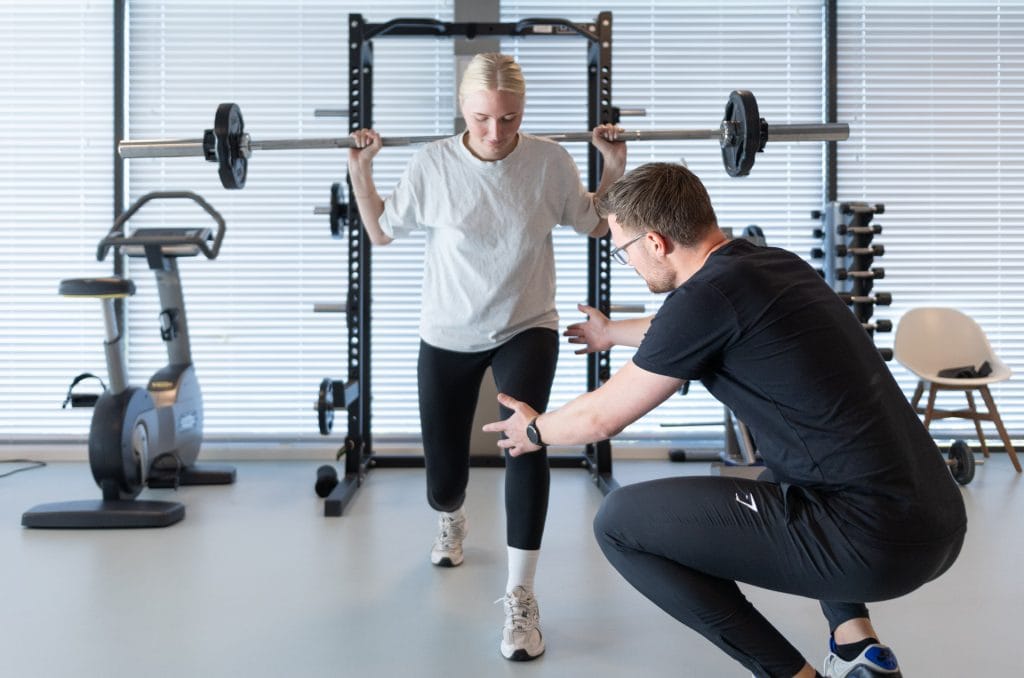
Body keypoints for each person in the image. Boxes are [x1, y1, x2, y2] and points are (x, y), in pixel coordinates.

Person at [484, 162, 967, 677]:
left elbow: (601, 418)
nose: (628, 263)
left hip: (876, 545)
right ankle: (858, 650)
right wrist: (610, 333)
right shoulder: (768, 266)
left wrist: (533, 430)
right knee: (777, 476)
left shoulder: (704, 300)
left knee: (619, 524)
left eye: (624, 251)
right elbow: (679, 327)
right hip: (939, 521)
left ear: (656, 242)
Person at [346, 52, 627, 661]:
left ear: (522, 112)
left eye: (509, 118)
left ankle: (521, 597)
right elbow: (381, 231)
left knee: (528, 441)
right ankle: (450, 516)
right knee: (445, 478)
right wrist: (360, 171)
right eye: (481, 119)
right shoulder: (432, 164)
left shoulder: (549, 161)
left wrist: (613, 165)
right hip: (447, 331)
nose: (496, 133)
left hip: (526, 324)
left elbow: (595, 223)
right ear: (462, 110)